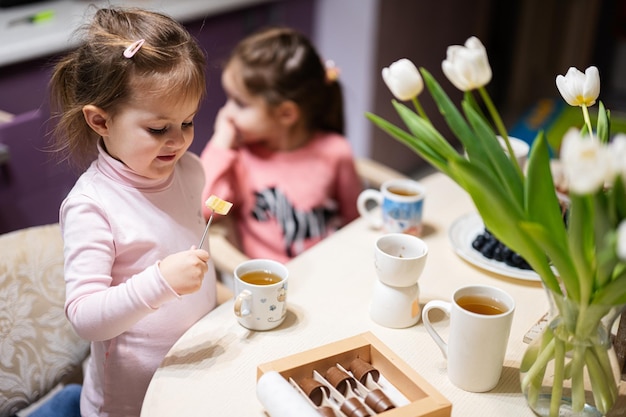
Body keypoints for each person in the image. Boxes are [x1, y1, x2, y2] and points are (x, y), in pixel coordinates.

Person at [48, 7, 216, 416]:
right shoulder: (92, 206)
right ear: (101, 120)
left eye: (189, 121)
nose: (178, 141)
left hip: (197, 367)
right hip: (129, 399)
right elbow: (85, 317)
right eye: (159, 129)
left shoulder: (189, 170)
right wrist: (159, 281)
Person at [200, 27, 362, 263]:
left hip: (330, 270)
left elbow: (354, 221)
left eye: (240, 103)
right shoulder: (240, 158)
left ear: (286, 114)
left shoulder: (336, 151)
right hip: (271, 287)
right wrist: (221, 143)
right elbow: (206, 209)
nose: (226, 113)